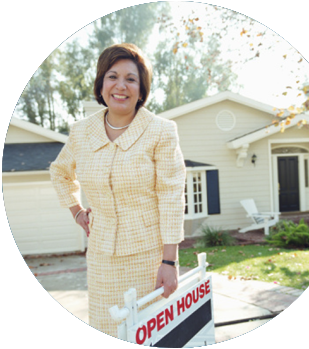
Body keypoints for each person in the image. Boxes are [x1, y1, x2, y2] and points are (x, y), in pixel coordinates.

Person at [50, 43, 186, 337]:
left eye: (131, 79)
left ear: (141, 89)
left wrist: (169, 261)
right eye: (112, 76)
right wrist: (76, 212)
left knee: (149, 334)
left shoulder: (161, 131)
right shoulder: (82, 132)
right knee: (106, 329)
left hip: (150, 257)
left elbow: (171, 196)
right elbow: (59, 172)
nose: (120, 86)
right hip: (100, 257)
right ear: (101, 85)